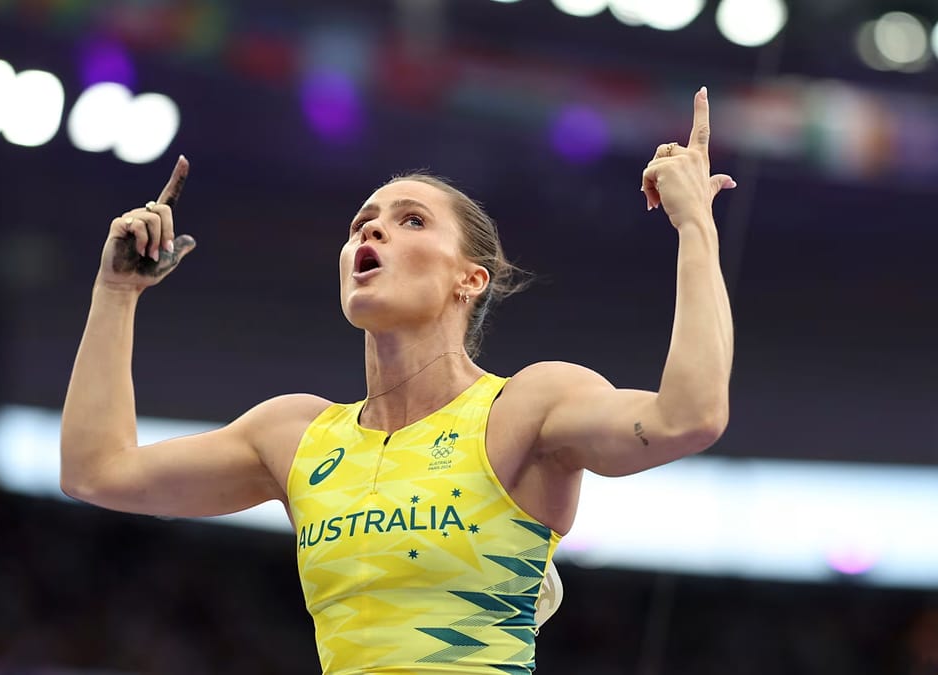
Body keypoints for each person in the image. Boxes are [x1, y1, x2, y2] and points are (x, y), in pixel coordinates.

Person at [60, 87, 734, 674]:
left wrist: (694, 223)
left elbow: (688, 416)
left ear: (469, 280)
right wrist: (116, 291)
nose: (372, 229)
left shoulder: (524, 409)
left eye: (410, 219)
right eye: (362, 224)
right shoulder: (294, 435)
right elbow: (97, 470)